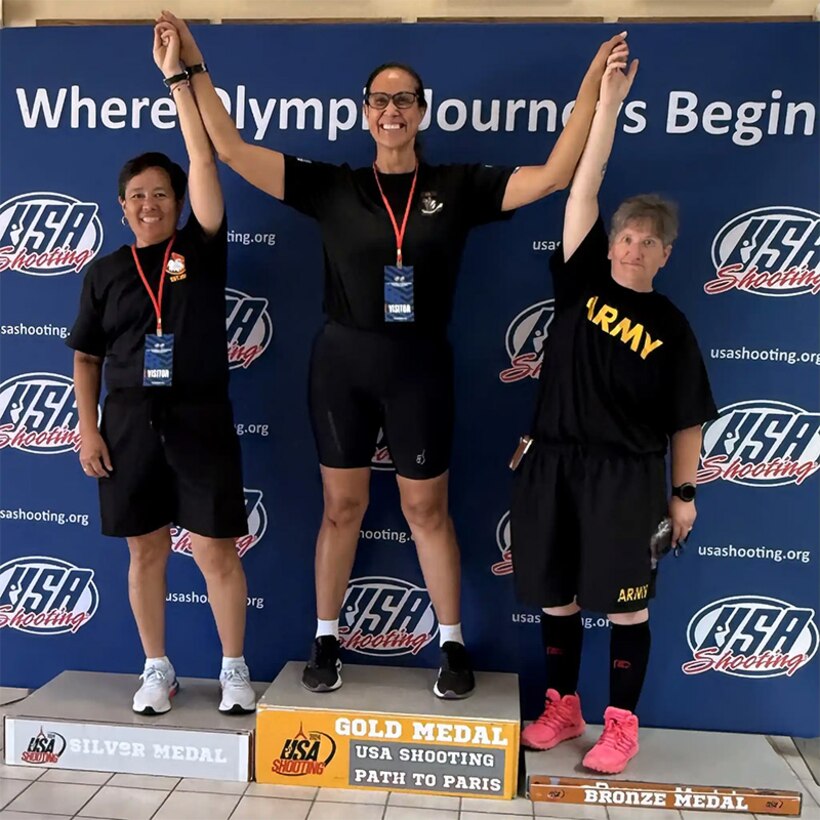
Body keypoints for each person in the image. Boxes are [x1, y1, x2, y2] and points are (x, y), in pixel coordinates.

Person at [159, 9, 628, 699]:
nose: (392, 110)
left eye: (404, 98)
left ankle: (453, 647)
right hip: (341, 366)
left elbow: (559, 173)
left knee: (427, 513)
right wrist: (186, 65)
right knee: (341, 508)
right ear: (365, 113)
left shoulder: (460, 187)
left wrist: (594, 84)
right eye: (380, 100)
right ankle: (326, 639)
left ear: (421, 111)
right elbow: (226, 147)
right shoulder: (332, 186)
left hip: (420, 367)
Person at [510, 52, 717, 772]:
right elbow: (584, 185)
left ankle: (620, 724)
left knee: (626, 607)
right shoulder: (580, 283)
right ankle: (563, 710)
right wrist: (608, 105)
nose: (632, 248)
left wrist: (684, 493)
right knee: (557, 598)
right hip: (553, 463)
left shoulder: (671, 325)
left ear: (664, 255)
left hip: (626, 476)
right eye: (625, 237)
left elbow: (688, 419)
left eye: (647, 242)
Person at [66, 22, 256, 716]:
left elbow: (204, 163)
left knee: (215, 553)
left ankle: (234, 669)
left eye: (160, 193)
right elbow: (86, 357)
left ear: (177, 203)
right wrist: (88, 431)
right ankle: (158, 669)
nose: (150, 204)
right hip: (126, 425)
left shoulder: (200, 249)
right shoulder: (105, 272)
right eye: (137, 196)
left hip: (200, 417)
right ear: (122, 209)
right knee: (144, 553)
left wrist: (178, 79)